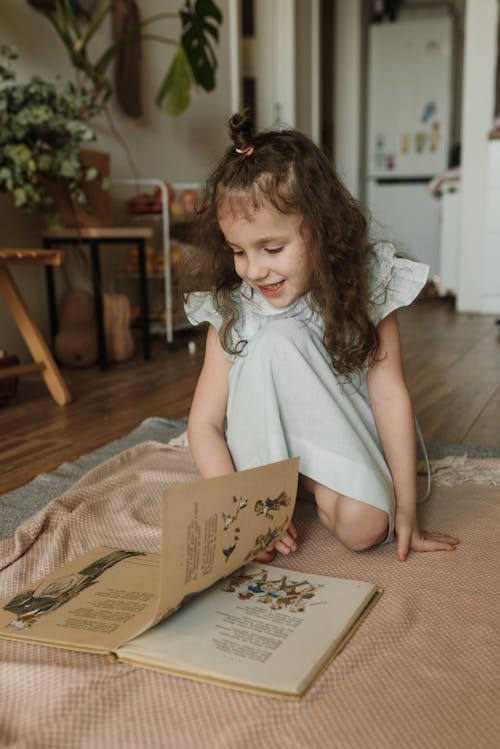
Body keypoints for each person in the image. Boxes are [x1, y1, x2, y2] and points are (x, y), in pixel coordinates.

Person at [184, 110, 459, 563]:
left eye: (272, 249)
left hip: (337, 435)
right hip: (260, 449)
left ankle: (308, 480)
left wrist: (407, 508)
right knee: (276, 340)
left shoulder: (363, 289)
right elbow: (205, 424)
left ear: (321, 228)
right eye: (238, 252)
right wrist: (238, 509)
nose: (254, 270)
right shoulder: (237, 308)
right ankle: (279, 483)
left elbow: (389, 396)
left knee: (368, 527)